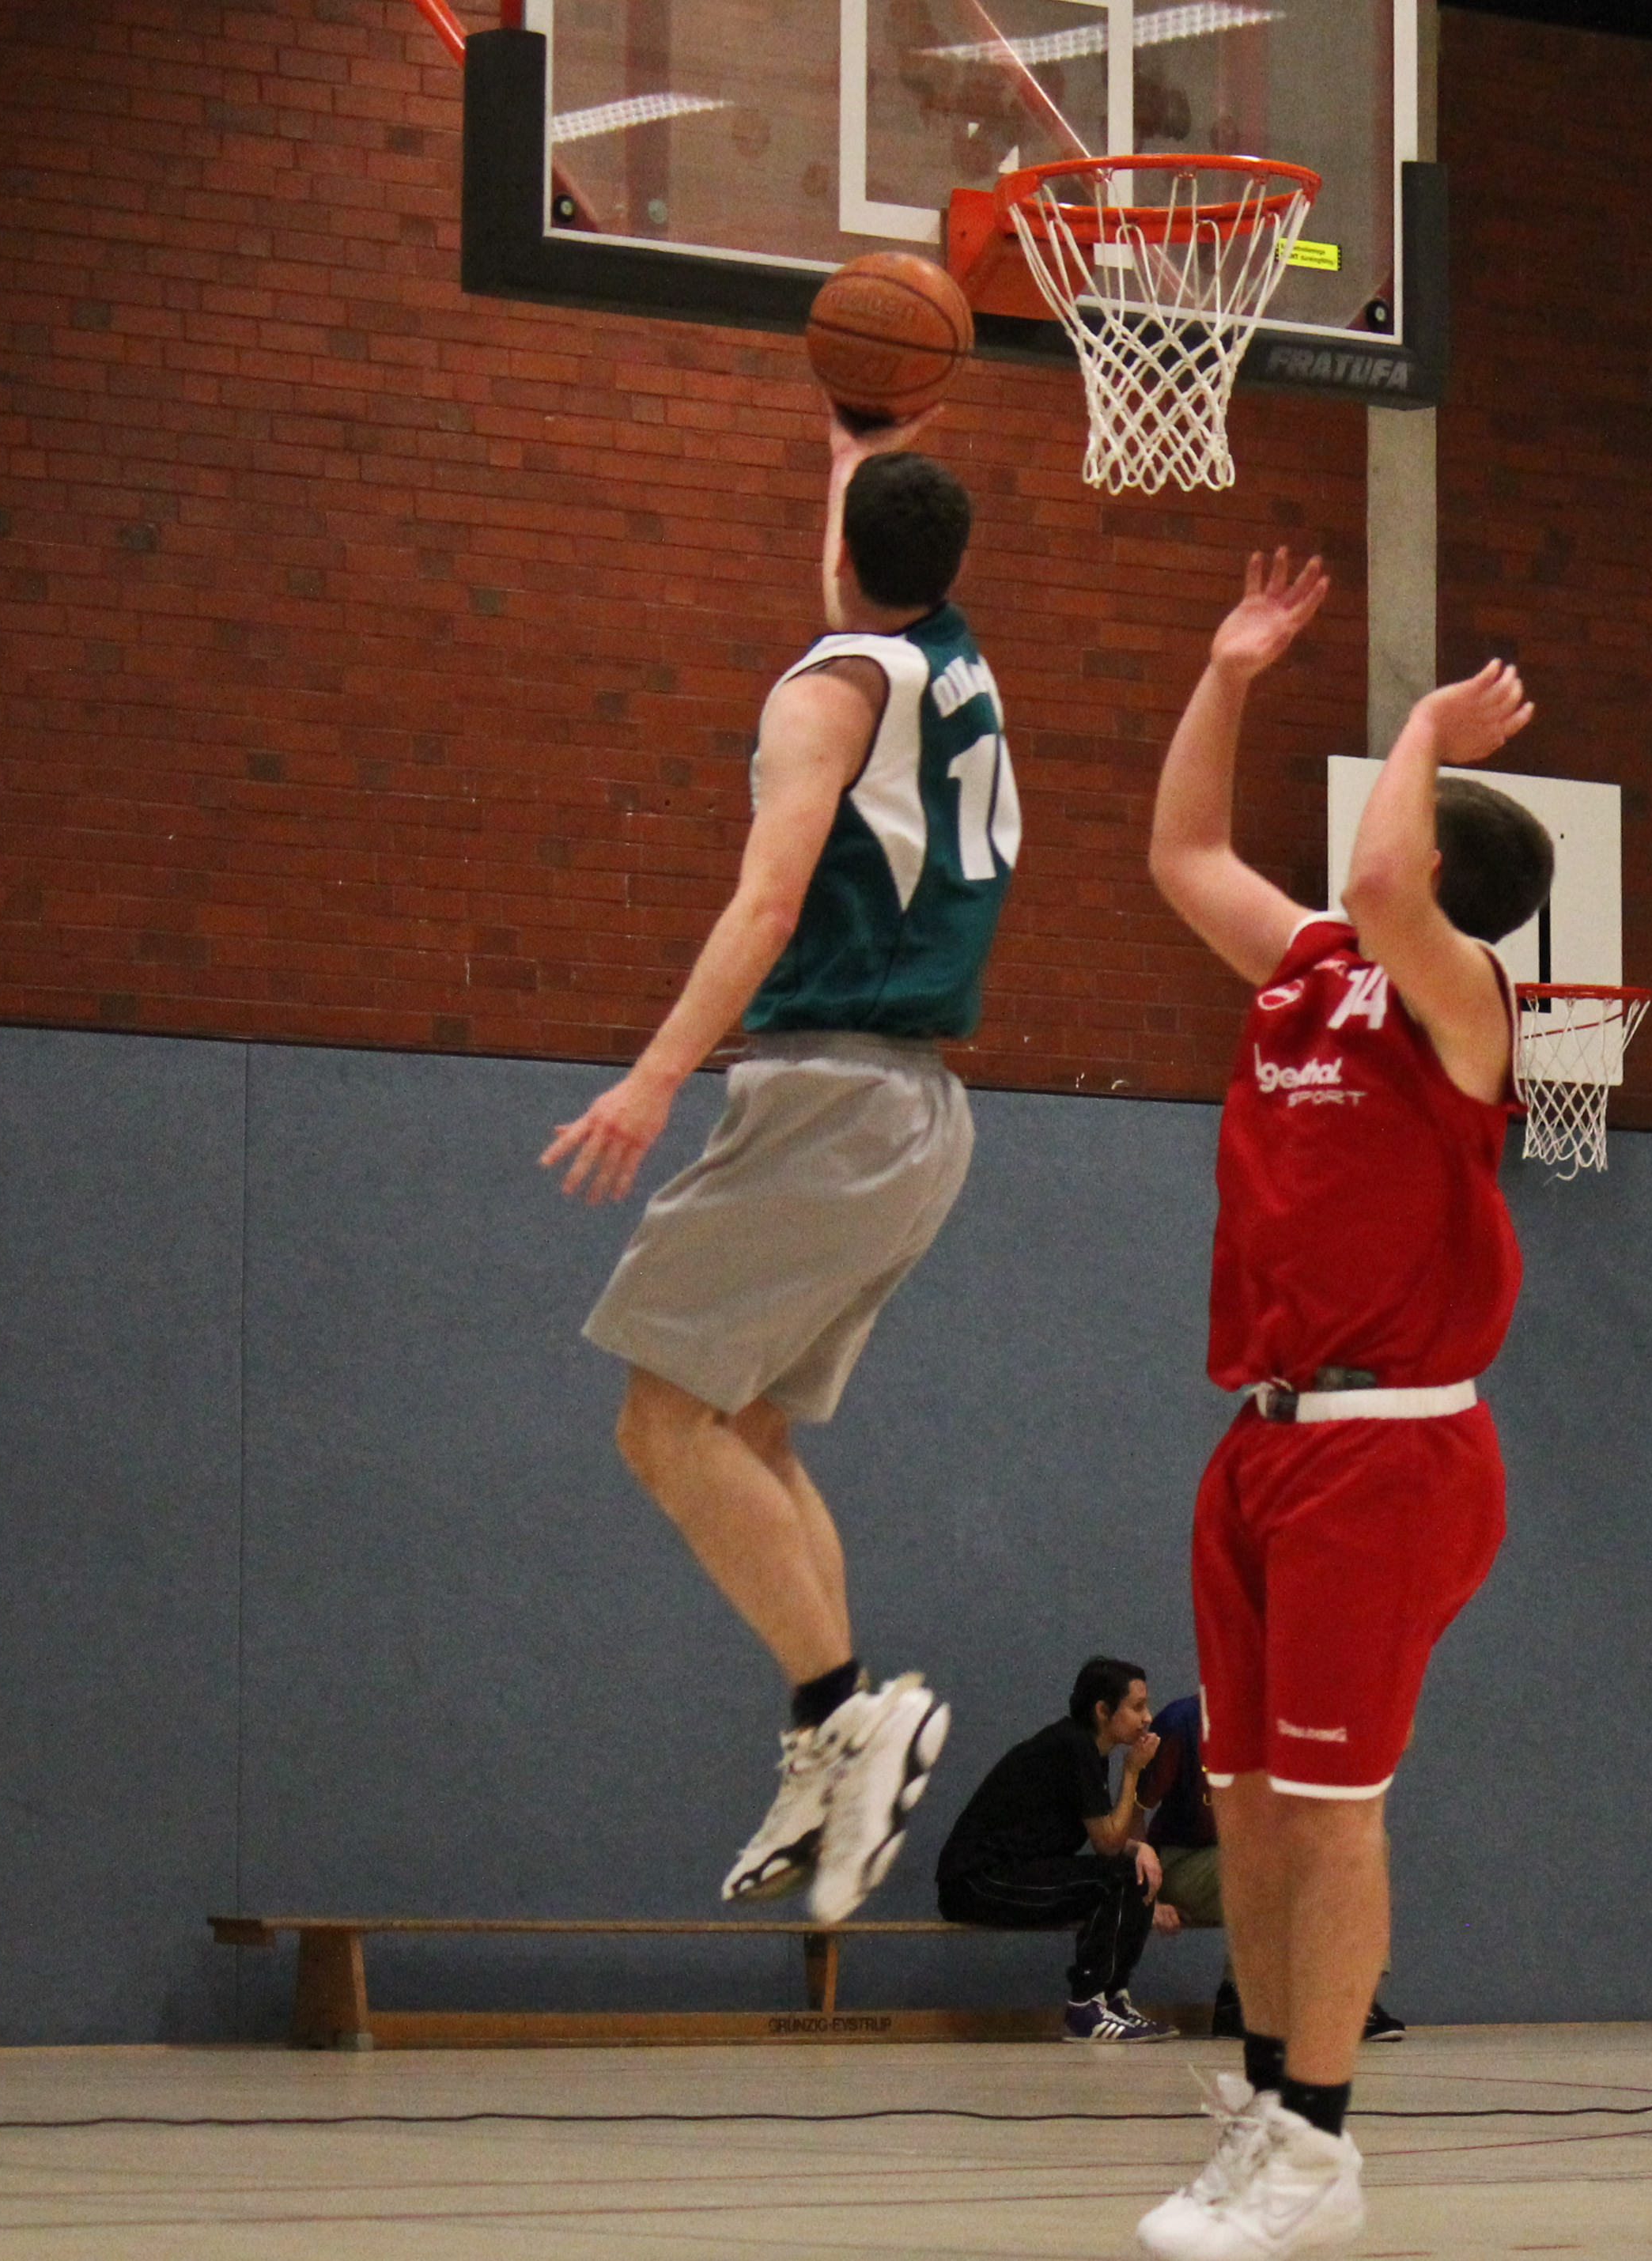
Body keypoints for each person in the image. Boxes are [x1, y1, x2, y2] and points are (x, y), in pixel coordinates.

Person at [1132, 550, 1551, 2261]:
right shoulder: (1305, 965)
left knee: (1328, 1806)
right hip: (1260, 1435)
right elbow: (1179, 855)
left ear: (1439, 865)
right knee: (1238, 1796)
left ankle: (1319, 2139)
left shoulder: (1464, 998)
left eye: (1409, 814)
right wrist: (1228, 673)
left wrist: (1424, 722)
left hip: (1393, 1446)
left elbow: (1381, 875)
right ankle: (1261, 2103)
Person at [543, 405, 1013, 1924]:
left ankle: (849, 1712)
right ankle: (829, 1743)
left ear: (844, 559)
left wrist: (649, 1078)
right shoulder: (950, 666)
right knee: (746, 1426)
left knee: (659, 1425)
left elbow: (763, 904)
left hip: (824, 1090)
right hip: (919, 1109)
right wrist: (853, 462)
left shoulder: (823, 694)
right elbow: (866, 580)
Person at [1140, 1693, 1408, 2047]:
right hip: (1183, 1861)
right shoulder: (1183, 1724)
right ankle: (1237, 1999)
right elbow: (1135, 1806)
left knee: (1365, 1844)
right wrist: (1146, 1894)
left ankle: (1357, 1999)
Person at [933, 1658, 1178, 2043]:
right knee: (1119, 1876)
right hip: (978, 1882)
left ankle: (1112, 1998)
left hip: (1019, 1871)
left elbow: (1104, 1834)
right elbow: (1107, 1844)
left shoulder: (1089, 1751)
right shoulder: (1072, 1747)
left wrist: (1138, 1848)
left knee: (1132, 1873)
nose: (1147, 1718)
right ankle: (1085, 2008)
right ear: (1102, 1710)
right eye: (1137, 1707)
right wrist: (1133, 1772)